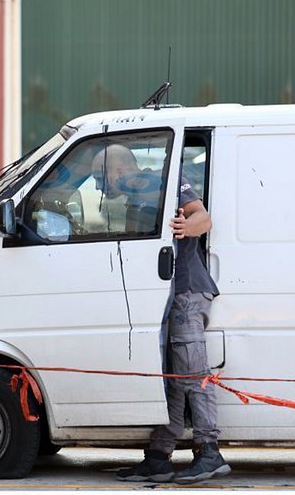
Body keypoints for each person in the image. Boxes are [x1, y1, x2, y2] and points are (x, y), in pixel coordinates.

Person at [92, 145, 230, 484]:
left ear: (119, 172)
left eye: (99, 178)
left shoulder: (164, 182)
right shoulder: (134, 198)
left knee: (193, 373)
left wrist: (185, 229)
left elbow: (203, 217)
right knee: (171, 376)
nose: (98, 187)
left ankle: (209, 451)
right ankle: (158, 456)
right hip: (163, 297)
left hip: (185, 293)